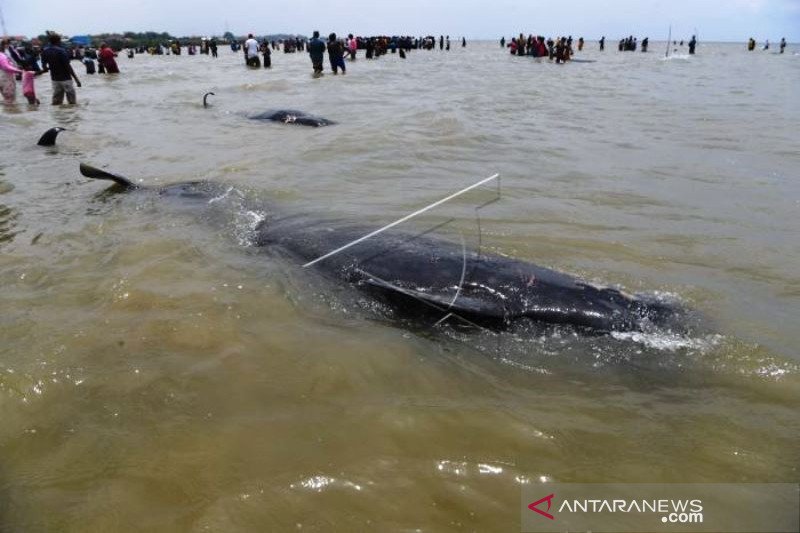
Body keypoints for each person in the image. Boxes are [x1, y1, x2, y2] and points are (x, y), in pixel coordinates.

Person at [40, 33, 82, 105]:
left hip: (54, 79)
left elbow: (44, 67)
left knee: (56, 102)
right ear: (58, 41)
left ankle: (57, 116)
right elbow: (67, 66)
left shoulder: (45, 51)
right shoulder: (61, 51)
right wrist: (76, 79)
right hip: (66, 78)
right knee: (72, 103)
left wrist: (50, 67)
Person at [0, 39, 23, 105]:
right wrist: (19, 71)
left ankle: (8, 113)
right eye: (4, 44)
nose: (6, 45)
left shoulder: (5, 53)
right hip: (6, 77)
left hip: (4, 76)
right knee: (10, 99)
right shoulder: (2, 55)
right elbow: (6, 67)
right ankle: (11, 114)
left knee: (7, 98)